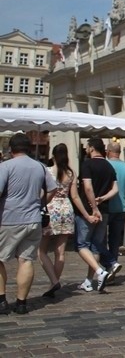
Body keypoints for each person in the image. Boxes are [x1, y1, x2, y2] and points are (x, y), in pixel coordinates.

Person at [0, 133, 57, 314]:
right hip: (33, 220)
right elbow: (53, 188)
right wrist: (41, 203)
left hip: (9, 219)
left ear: (11, 149)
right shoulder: (40, 167)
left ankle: (1, 300)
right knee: (26, 260)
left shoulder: (6, 166)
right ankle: (21, 302)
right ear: (29, 148)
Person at [72, 137, 119, 293]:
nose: (86, 149)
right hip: (104, 209)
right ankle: (89, 281)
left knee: (82, 244)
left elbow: (88, 188)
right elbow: (115, 189)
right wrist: (102, 200)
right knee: (95, 246)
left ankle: (100, 271)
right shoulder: (109, 166)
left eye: (87, 147)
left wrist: (93, 207)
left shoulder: (87, 164)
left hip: (88, 210)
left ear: (92, 148)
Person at [38, 143, 76, 299]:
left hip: (50, 208)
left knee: (41, 250)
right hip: (66, 209)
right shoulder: (70, 173)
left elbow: (42, 192)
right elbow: (74, 196)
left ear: (53, 156)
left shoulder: (47, 171)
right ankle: (54, 282)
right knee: (60, 252)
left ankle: (53, 281)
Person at [105, 141, 125, 279]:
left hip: (106, 207)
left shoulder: (106, 165)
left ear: (108, 151)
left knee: (99, 240)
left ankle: (108, 265)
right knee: (115, 241)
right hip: (121, 208)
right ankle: (113, 264)